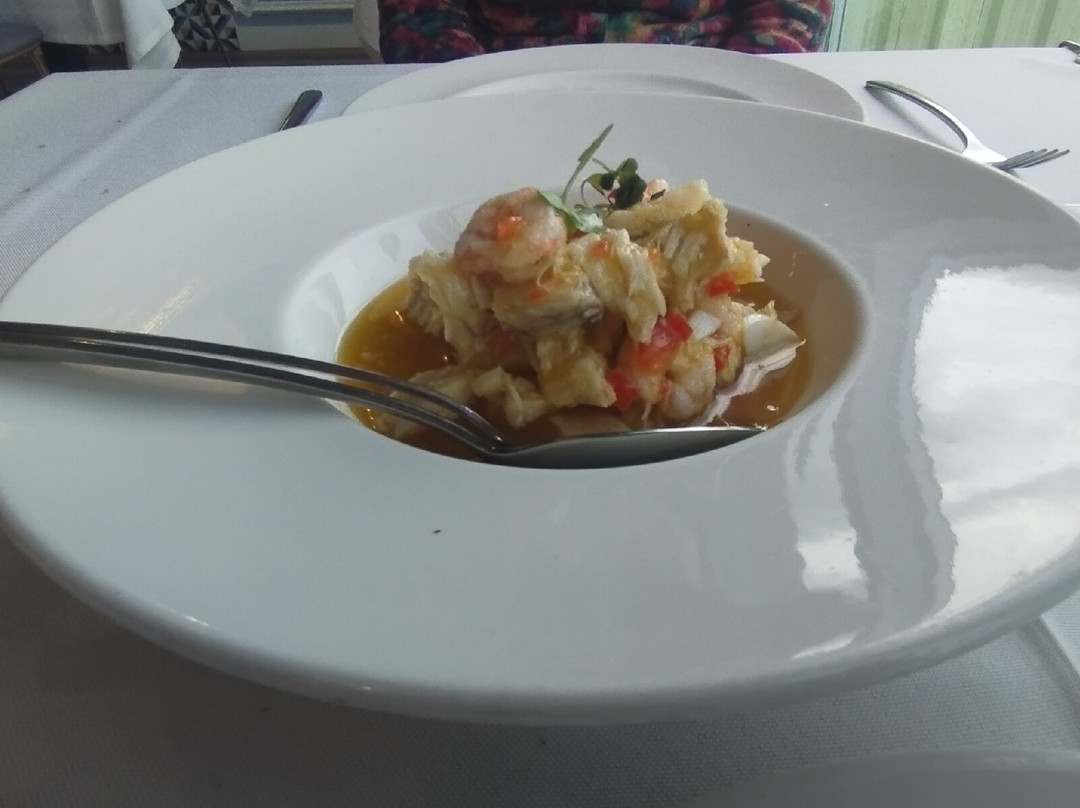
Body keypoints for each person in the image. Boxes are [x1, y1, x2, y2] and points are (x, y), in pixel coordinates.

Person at [377, 0, 832, 64]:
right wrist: (468, 86)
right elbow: (423, 11)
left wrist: (743, 82)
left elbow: (791, 12)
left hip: (709, 72)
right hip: (505, 74)